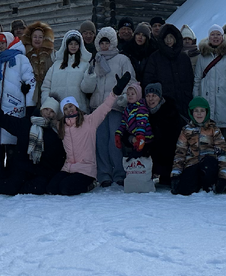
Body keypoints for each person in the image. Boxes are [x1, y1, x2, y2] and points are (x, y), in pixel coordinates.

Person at [46, 72, 132, 196]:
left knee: (66, 189)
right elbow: (49, 117)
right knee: (51, 188)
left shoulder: (89, 121)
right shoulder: (61, 126)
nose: (69, 110)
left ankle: (90, 184)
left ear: (76, 107)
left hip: (85, 169)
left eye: (71, 106)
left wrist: (116, 91)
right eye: (65, 108)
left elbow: (105, 107)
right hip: (68, 168)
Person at [0, 91, 66, 196]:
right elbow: (3, 119)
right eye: (46, 109)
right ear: (41, 109)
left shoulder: (55, 134)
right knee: (11, 186)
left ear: (55, 115)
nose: (48, 113)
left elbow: (57, 158)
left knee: (39, 187)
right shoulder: (26, 124)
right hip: (21, 168)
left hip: (40, 171)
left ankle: (21, 187)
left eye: (52, 111)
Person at [78, 26, 134, 187]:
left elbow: (130, 81)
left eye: (107, 42)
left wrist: (124, 97)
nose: (104, 46)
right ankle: (103, 173)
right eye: (101, 43)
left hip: (116, 107)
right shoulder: (94, 60)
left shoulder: (122, 59)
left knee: (115, 141)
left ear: (113, 42)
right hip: (97, 107)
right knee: (101, 141)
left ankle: (119, 172)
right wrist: (89, 78)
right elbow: (87, 88)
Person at [0, 31, 35, 180]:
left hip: (15, 108)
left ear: (10, 42)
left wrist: (29, 106)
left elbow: (30, 83)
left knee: (12, 146)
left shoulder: (21, 59)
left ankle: (13, 178)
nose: (2, 46)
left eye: (3, 43)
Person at [192, 26, 226, 138]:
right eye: (213, 34)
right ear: (209, 37)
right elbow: (197, 81)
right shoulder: (202, 57)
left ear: (222, 37)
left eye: (218, 34)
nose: (215, 37)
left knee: (225, 141)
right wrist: (196, 101)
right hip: (206, 105)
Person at [171, 97, 226, 196]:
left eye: (202, 111)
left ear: (206, 112)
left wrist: (223, 177)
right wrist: (175, 175)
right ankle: (195, 185)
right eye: (196, 111)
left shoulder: (214, 130)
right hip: (192, 164)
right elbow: (180, 153)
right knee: (183, 190)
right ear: (191, 112)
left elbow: (222, 153)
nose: (199, 114)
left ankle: (209, 185)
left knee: (209, 164)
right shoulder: (186, 130)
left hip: (209, 165)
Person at [141, 24, 194, 117]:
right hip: (163, 105)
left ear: (176, 38)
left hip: (184, 103)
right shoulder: (155, 58)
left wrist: (188, 97)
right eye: (166, 38)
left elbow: (190, 80)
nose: (169, 40)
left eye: (171, 37)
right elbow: (148, 81)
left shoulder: (184, 58)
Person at [143, 83, 183, 188]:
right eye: (148, 96)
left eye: (154, 96)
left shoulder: (171, 112)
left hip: (170, 154)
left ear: (160, 97)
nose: (150, 99)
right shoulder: (141, 113)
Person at [43, 30, 91, 113]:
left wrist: (91, 77)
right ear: (66, 45)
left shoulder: (85, 65)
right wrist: (47, 105)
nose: (73, 46)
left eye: (76, 44)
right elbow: (46, 87)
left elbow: (88, 89)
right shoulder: (56, 65)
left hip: (78, 111)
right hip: (58, 112)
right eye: (71, 44)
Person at [21, 21, 55, 106]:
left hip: (48, 92)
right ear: (30, 38)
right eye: (35, 37)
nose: (37, 39)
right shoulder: (25, 56)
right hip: (31, 95)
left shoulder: (52, 54)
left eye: (40, 37)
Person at [117, 80, 153, 160]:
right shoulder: (127, 109)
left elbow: (141, 123)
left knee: (144, 159)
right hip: (135, 138)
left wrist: (140, 136)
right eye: (128, 94)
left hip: (145, 138)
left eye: (132, 94)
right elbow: (123, 123)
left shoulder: (141, 108)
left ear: (138, 95)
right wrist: (118, 134)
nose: (130, 96)